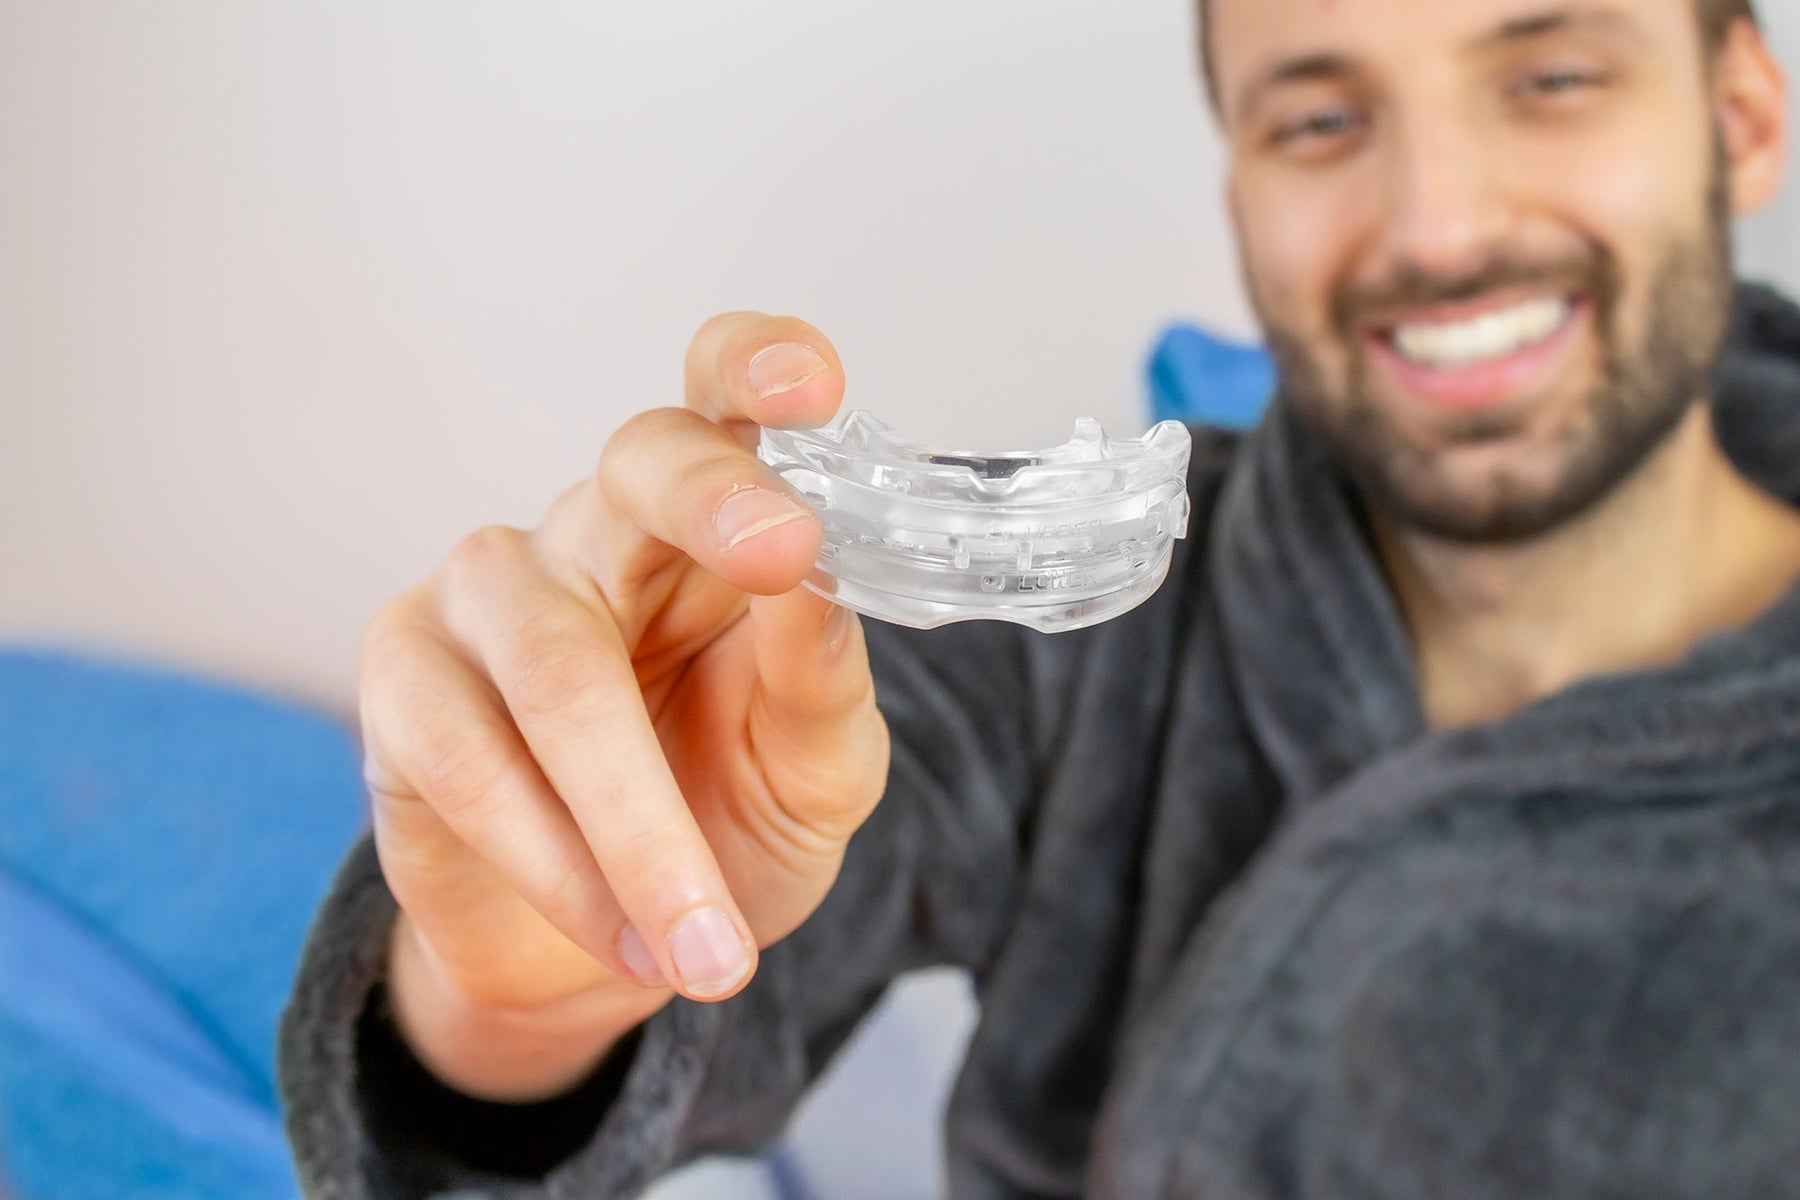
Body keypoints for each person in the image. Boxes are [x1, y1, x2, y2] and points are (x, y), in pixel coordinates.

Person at [279, 0, 1800, 1196]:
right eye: (1321, 118)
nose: (1441, 226)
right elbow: (623, 1003)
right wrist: (526, 982)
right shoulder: (1096, 639)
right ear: (1241, 190)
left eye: (1552, 79)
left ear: (1738, 115)